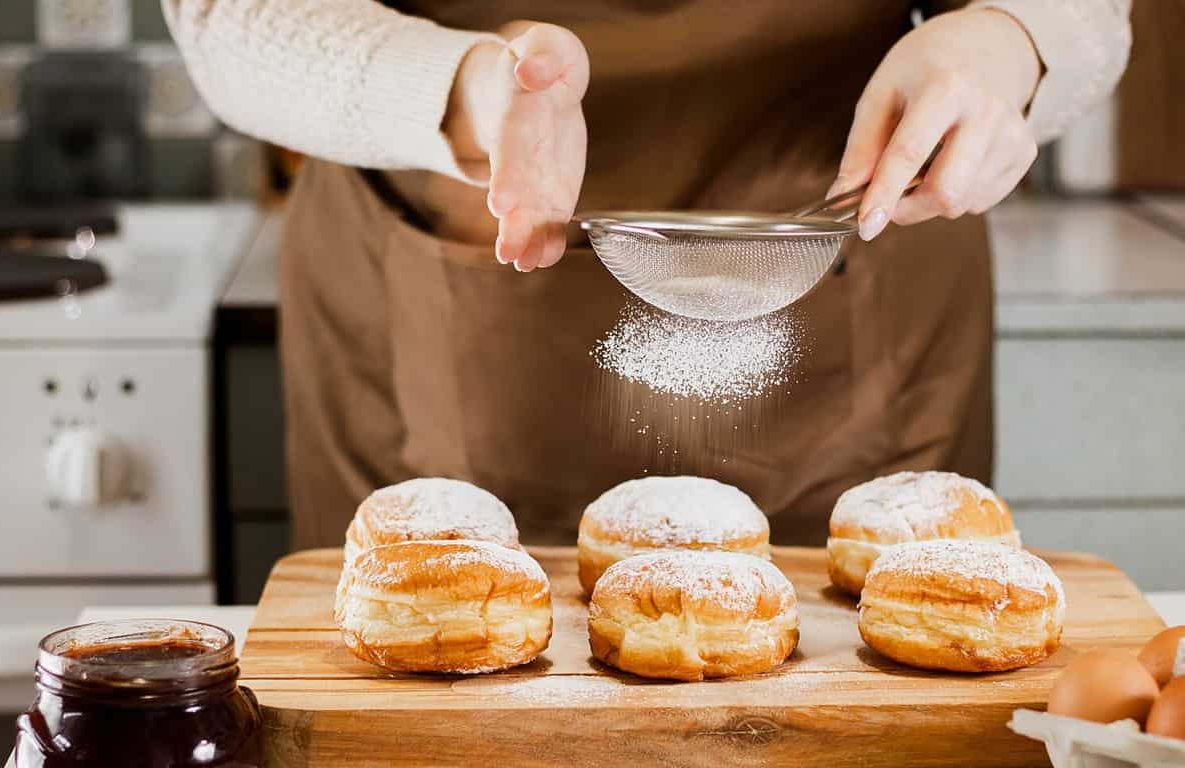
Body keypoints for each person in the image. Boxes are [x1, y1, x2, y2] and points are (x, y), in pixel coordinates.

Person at [164, 0, 1130, 548]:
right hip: (444, 239)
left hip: (853, 241)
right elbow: (230, 16)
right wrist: (463, 95)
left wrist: (1010, 39)